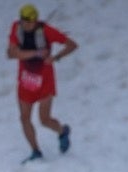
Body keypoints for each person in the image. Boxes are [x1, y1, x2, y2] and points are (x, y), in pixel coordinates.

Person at [6, 4, 77, 162]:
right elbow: (11, 53)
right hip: (26, 80)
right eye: (24, 22)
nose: (26, 26)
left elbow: (72, 45)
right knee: (24, 118)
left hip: (44, 81)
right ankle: (35, 151)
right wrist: (36, 53)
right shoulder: (16, 29)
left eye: (30, 23)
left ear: (36, 21)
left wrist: (56, 57)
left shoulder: (47, 31)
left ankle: (62, 131)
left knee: (44, 119)